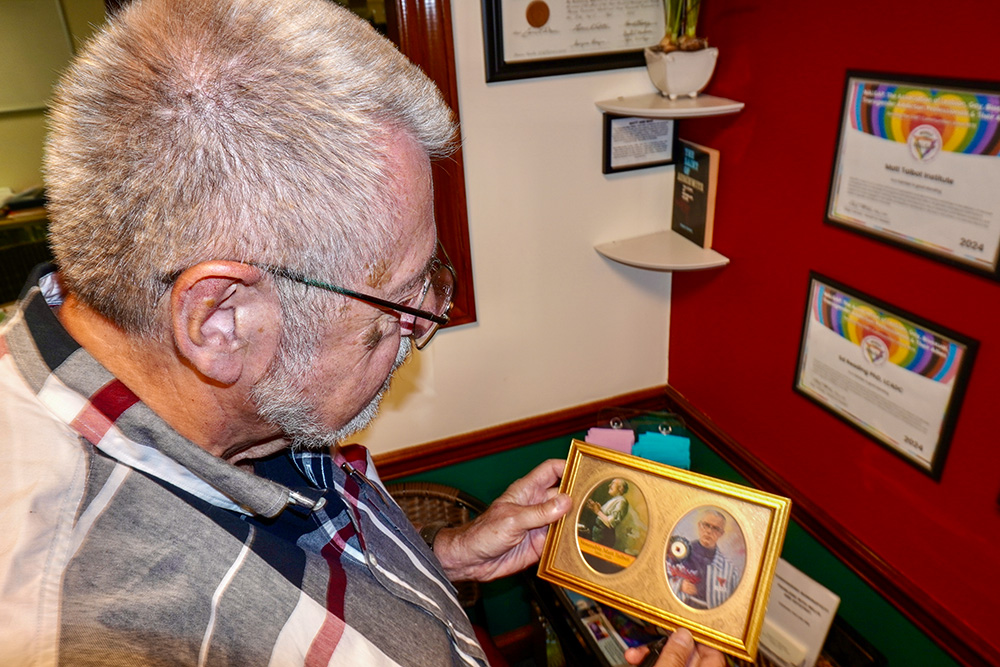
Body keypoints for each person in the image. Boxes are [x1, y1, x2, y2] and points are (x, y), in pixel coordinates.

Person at [0, 1, 724, 665]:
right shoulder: (107, 634)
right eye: (398, 303)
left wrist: (440, 560)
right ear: (221, 320)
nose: (417, 332)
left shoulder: (235, 407)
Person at [668, 508, 742, 610]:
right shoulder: (678, 553)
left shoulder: (729, 570)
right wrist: (680, 585)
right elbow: (660, 581)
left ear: (721, 533)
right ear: (699, 525)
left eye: (716, 528)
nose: (709, 531)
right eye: (706, 525)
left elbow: (734, 603)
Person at [586, 478, 630, 548]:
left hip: (604, 537)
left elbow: (610, 523)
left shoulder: (621, 502)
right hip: (598, 534)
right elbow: (605, 516)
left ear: (620, 488)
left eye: (612, 484)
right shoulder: (615, 500)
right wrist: (598, 508)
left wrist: (597, 511)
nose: (609, 485)